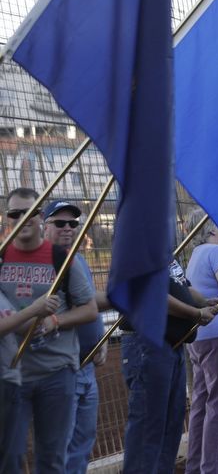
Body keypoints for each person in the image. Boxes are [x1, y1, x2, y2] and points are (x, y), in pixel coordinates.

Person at [1, 187, 98, 474]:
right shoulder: (3, 257)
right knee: (10, 457)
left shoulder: (61, 258)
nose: (22, 218)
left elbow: (89, 309)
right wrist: (33, 312)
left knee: (52, 459)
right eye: (15, 213)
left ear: (40, 217)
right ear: (7, 218)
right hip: (12, 375)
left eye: (29, 212)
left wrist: (54, 321)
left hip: (56, 374)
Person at [120, 256, 218, 474]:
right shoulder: (139, 249)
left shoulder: (163, 249)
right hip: (148, 343)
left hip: (172, 344)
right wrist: (196, 313)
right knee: (149, 426)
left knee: (171, 424)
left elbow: (182, 284)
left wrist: (203, 302)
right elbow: (155, 297)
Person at [42, 200, 106, 474]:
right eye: (60, 223)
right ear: (44, 227)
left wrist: (100, 338)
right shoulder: (41, 263)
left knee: (82, 443)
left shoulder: (77, 258)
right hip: (58, 370)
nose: (68, 228)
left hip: (86, 366)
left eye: (73, 223)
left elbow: (88, 302)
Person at [184, 214, 218, 474]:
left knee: (201, 405)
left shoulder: (196, 254)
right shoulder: (217, 251)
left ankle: (196, 468)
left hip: (199, 337)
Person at [0, 292, 60, 472]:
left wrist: (43, 319)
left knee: (11, 456)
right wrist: (34, 310)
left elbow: (14, 322)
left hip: (9, 380)